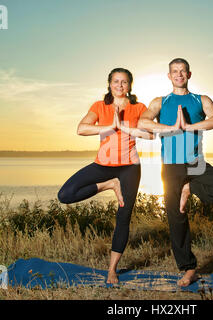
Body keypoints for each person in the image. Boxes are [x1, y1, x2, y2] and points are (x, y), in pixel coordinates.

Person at [138, 58, 213, 287]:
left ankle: (192, 186)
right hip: (170, 166)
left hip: (196, 163)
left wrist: (189, 127)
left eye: (183, 71)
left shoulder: (201, 99)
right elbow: (143, 122)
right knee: (176, 216)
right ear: (169, 76)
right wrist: (171, 129)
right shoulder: (160, 101)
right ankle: (188, 268)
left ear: (189, 74)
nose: (179, 74)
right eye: (174, 71)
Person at [57, 67, 153, 284]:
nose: (120, 86)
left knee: (123, 217)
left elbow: (150, 134)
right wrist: (111, 125)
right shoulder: (99, 106)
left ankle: (112, 270)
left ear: (130, 85)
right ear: (109, 84)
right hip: (103, 166)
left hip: (129, 167)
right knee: (65, 194)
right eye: (116, 81)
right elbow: (81, 128)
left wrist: (125, 128)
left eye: (124, 82)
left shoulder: (139, 108)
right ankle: (109, 184)